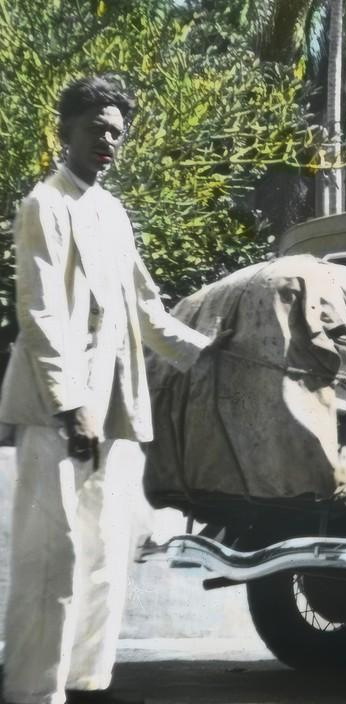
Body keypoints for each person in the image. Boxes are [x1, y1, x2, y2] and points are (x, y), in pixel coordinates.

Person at [0, 76, 215, 704]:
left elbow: (148, 311)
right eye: (97, 129)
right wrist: (71, 408)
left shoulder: (113, 213)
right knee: (54, 555)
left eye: (117, 134)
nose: (108, 143)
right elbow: (37, 314)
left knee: (104, 555)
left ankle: (85, 681)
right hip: (58, 410)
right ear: (65, 130)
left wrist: (210, 354)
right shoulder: (45, 204)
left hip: (117, 409)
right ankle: (33, 690)